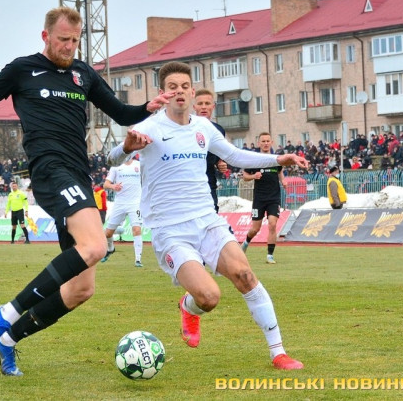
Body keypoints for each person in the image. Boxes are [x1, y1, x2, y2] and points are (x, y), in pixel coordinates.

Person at [0, 6, 172, 377]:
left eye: (75, 40)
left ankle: (8, 340)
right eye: (63, 39)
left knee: (81, 289)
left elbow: (121, 114)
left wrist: (146, 107)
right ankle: (3, 315)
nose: (69, 46)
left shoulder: (83, 74)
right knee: (96, 246)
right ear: (46, 36)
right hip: (50, 171)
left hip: (79, 176)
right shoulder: (22, 70)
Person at [107, 61, 307, 370]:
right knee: (209, 297)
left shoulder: (203, 127)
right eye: (172, 87)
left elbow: (235, 155)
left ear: (191, 91)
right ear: (162, 93)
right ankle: (189, 307)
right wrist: (125, 147)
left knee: (245, 275)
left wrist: (278, 159)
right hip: (170, 229)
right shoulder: (149, 127)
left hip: (207, 220)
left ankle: (278, 352)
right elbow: (112, 158)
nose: (179, 92)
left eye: (185, 87)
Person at [240, 132, 287, 265]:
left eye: (268, 141)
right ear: (259, 143)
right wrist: (253, 176)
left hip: (274, 198)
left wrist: (283, 181)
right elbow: (245, 176)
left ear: (271, 143)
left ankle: (270, 255)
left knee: (272, 224)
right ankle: (245, 243)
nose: (266, 143)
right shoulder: (254, 159)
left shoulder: (276, 159)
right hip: (259, 199)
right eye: (263, 141)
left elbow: (279, 171)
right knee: (255, 229)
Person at [101, 153, 144, 267]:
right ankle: (111, 249)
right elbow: (105, 184)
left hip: (135, 203)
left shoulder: (139, 165)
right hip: (120, 203)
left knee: (136, 230)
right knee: (108, 233)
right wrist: (113, 186)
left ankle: (138, 260)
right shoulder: (116, 167)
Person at [193, 89, 228, 211]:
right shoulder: (186, 127)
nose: (203, 107)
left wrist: (220, 163)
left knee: (212, 216)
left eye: (207, 103)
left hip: (209, 184)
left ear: (213, 106)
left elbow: (219, 156)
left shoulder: (219, 130)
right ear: (194, 107)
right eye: (200, 103)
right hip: (190, 185)